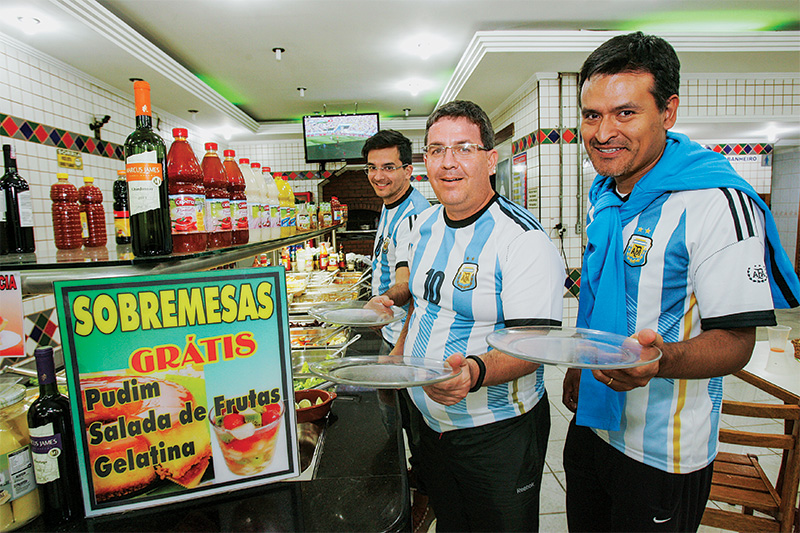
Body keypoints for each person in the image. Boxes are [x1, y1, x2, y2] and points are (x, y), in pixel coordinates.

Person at [562, 32, 800, 533]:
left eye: (625, 113)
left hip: (662, 451)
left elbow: (736, 342)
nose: (603, 132)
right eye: (592, 115)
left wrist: (660, 360)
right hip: (593, 426)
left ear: (668, 111)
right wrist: (580, 367)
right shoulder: (605, 194)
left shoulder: (715, 203)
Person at [391, 100, 565, 532]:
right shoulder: (424, 226)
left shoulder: (522, 240)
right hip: (431, 425)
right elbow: (421, 302)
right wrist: (398, 352)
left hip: (496, 434)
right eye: (436, 150)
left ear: (490, 160)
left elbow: (534, 347)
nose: (448, 162)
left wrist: (473, 372)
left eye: (464, 148)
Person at [360, 129, 431, 531]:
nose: (379, 176)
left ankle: (425, 498)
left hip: (409, 339)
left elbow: (409, 286)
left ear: (408, 169)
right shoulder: (391, 206)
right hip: (391, 332)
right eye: (372, 168)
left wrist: (383, 301)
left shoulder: (414, 215)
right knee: (400, 422)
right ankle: (411, 484)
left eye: (388, 167)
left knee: (418, 429)